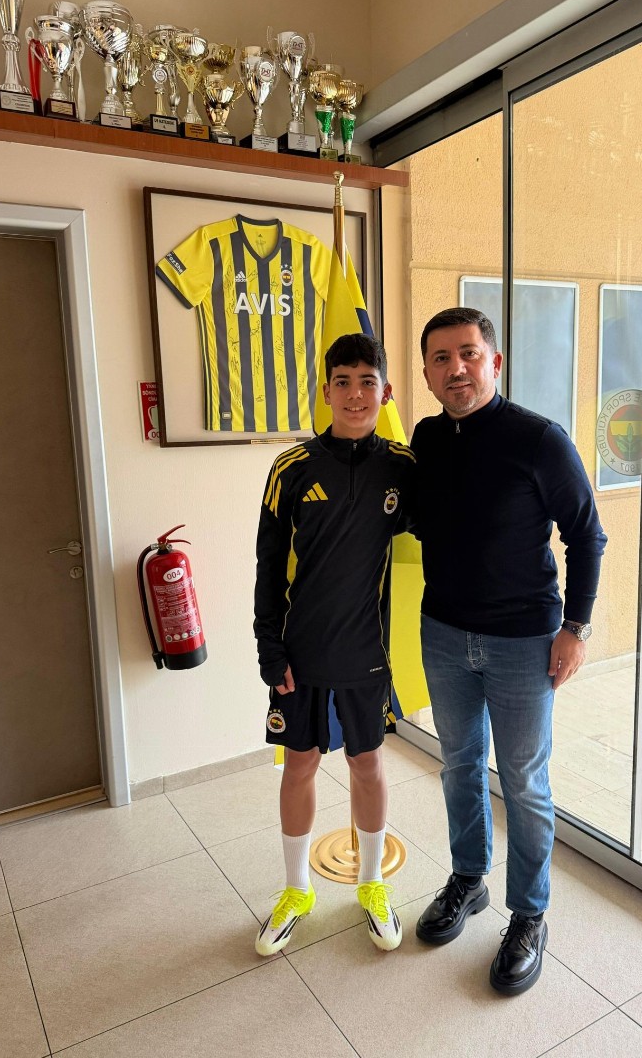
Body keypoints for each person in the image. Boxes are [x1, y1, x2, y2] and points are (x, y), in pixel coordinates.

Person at [410, 306, 607, 995]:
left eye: (468, 353)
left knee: (523, 780)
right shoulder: (427, 438)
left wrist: (576, 628)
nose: (456, 368)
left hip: (525, 642)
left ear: (494, 362)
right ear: (427, 373)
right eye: (441, 357)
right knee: (460, 765)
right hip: (443, 633)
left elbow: (587, 535)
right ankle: (469, 879)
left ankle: (529, 915)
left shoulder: (539, 439)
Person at [253, 332, 415, 957]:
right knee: (298, 765)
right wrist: (270, 649)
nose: (354, 394)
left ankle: (372, 884)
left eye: (367, 382)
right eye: (342, 382)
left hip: (367, 654)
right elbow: (269, 566)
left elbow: (446, 527)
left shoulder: (401, 467)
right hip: (301, 652)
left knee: (367, 764)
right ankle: (296, 890)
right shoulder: (291, 469)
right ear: (325, 391)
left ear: (385, 392)